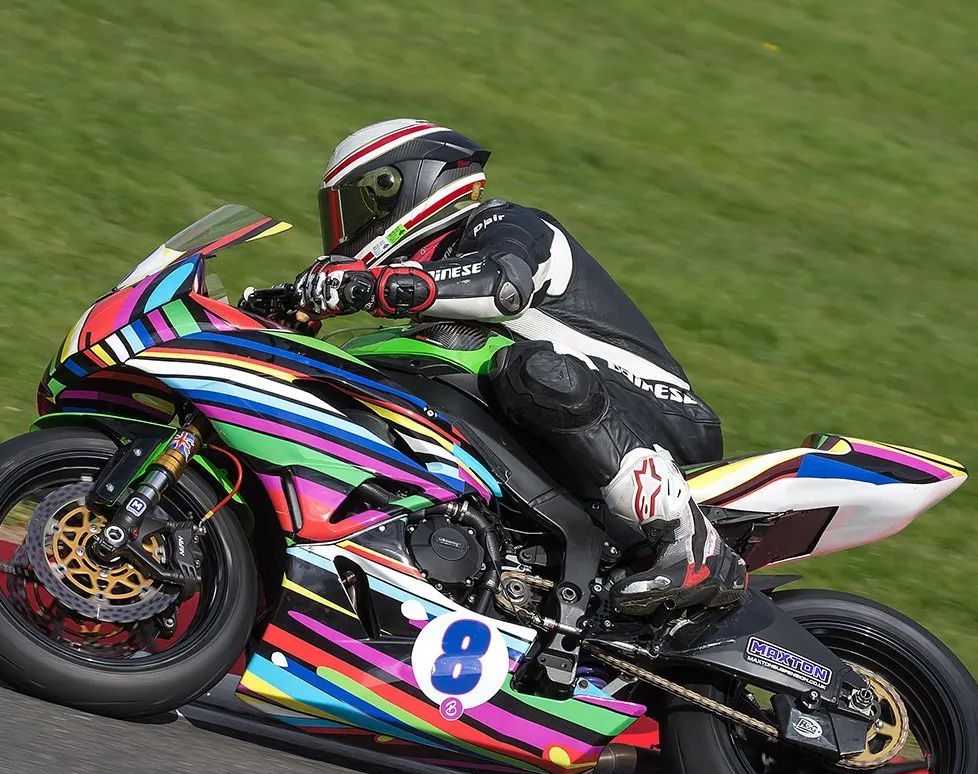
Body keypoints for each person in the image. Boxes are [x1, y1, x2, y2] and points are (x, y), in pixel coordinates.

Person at [289, 119, 746, 615]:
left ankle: (689, 540)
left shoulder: (505, 223)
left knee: (531, 369)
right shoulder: (434, 288)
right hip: (576, 417)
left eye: (356, 207)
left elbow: (502, 286)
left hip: (655, 407)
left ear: (407, 185)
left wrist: (373, 286)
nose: (345, 229)